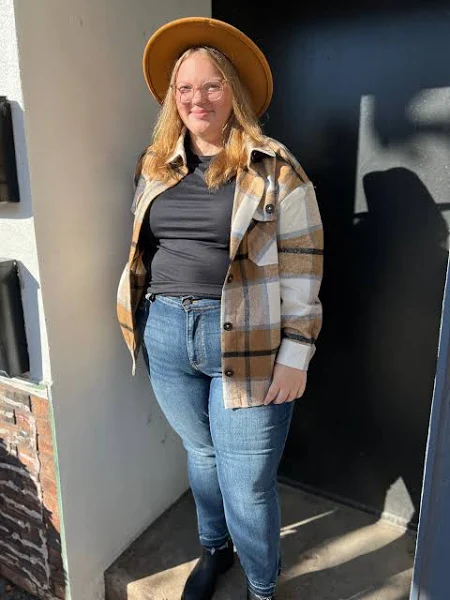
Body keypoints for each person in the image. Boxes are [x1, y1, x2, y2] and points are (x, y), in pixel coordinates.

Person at [117, 16, 323, 600]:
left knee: (247, 483)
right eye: (185, 88)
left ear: (234, 92)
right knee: (202, 455)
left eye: (212, 85)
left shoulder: (273, 166)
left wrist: (297, 353)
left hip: (247, 339)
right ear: (172, 98)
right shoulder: (155, 163)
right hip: (165, 331)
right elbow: (145, 247)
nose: (197, 99)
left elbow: (304, 261)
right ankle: (214, 551)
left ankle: (261, 588)